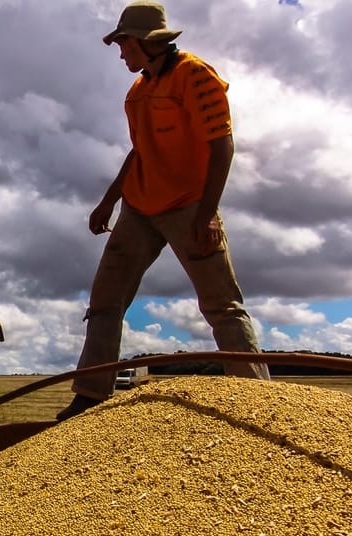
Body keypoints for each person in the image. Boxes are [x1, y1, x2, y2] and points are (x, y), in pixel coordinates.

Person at [57, 1, 270, 421]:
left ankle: (256, 401)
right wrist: (110, 198)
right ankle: (90, 395)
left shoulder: (195, 75)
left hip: (189, 205)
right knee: (104, 300)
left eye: (124, 44)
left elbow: (221, 144)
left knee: (221, 304)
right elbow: (140, 151)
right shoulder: (137, 92)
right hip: (139, 207)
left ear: (146, 42)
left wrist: (207, 213)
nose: (121, 53)